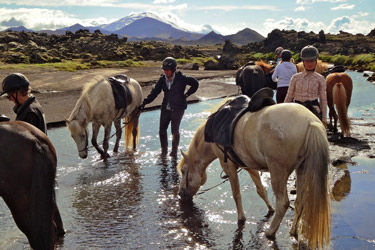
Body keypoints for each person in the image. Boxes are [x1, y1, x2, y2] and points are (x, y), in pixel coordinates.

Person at [140, 57, 199, 158]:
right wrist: (144, 103)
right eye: (164, 70)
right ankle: (164, 151)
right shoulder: (162, 79)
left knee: (174, 131)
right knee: (162, 130)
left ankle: (174, 153)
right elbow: (155, 92)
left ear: (173, 70)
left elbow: (195, 83)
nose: (166, 72)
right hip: (166, 108)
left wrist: (187, 94)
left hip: (178, 108)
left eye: (167, 70)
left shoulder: (182, 78)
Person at [284, 45, 327, 127]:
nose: (309, 64)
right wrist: (284, 112)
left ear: (316, 61)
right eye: (307, 61)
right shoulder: (295, 77)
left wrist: (324, 118)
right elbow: (289, 96)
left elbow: (323, 99)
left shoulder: (320, 78)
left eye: (312, 60)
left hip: (314, 111)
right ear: (303, 61)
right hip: (297, 110)